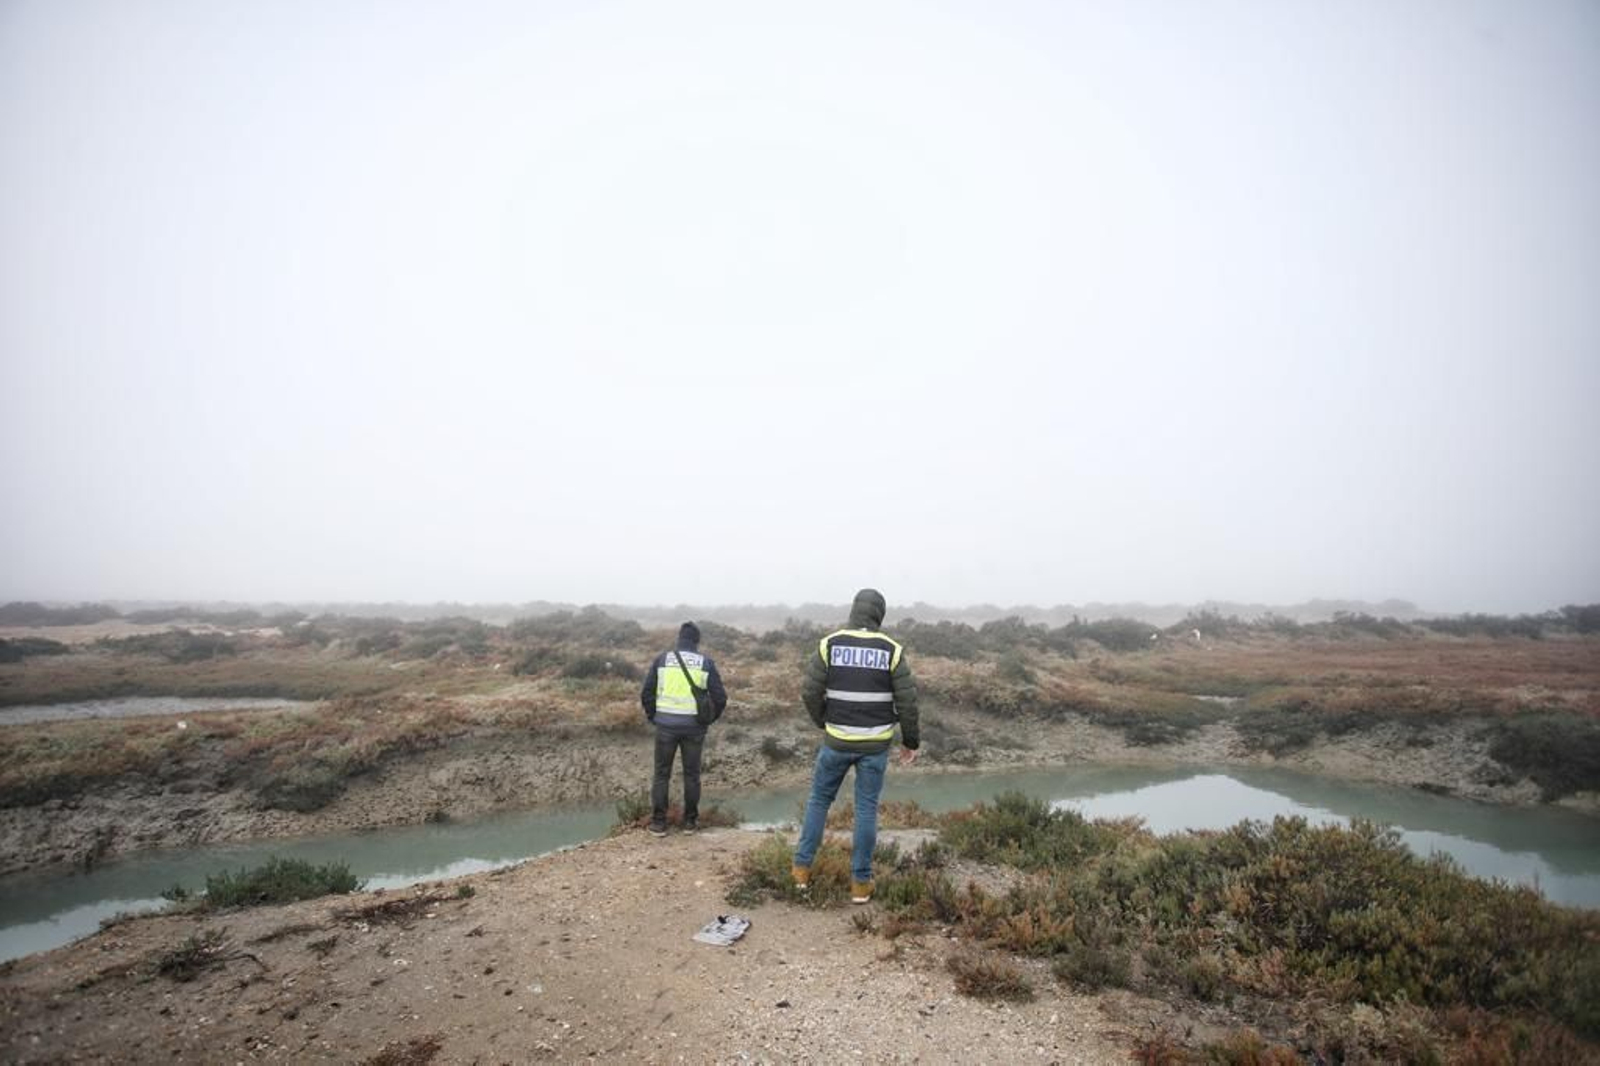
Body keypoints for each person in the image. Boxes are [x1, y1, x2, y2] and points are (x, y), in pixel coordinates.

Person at [792, 588, 920, 903]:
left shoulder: (829, 644)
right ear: (879, 614)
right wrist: (910, 741)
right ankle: (861, 885)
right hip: (875, 746)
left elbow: (809, 691)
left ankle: (801, 871)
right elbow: (907, 701)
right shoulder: (891, 649)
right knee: (866, 809)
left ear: (854, 610)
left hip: (835, 741)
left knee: (819, 801)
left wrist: (823, 720)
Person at [639, 621, 728, 836]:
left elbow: (646, 693)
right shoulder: (705, 663)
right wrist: (708, 719)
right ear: (697, 641)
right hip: (694, 729)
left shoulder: (662, 660)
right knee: (692, 775)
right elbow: (720, 697)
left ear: (679, 638)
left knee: (661, 774)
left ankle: (659, 823)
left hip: (665, 727)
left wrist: (654, 717)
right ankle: (690, 822)